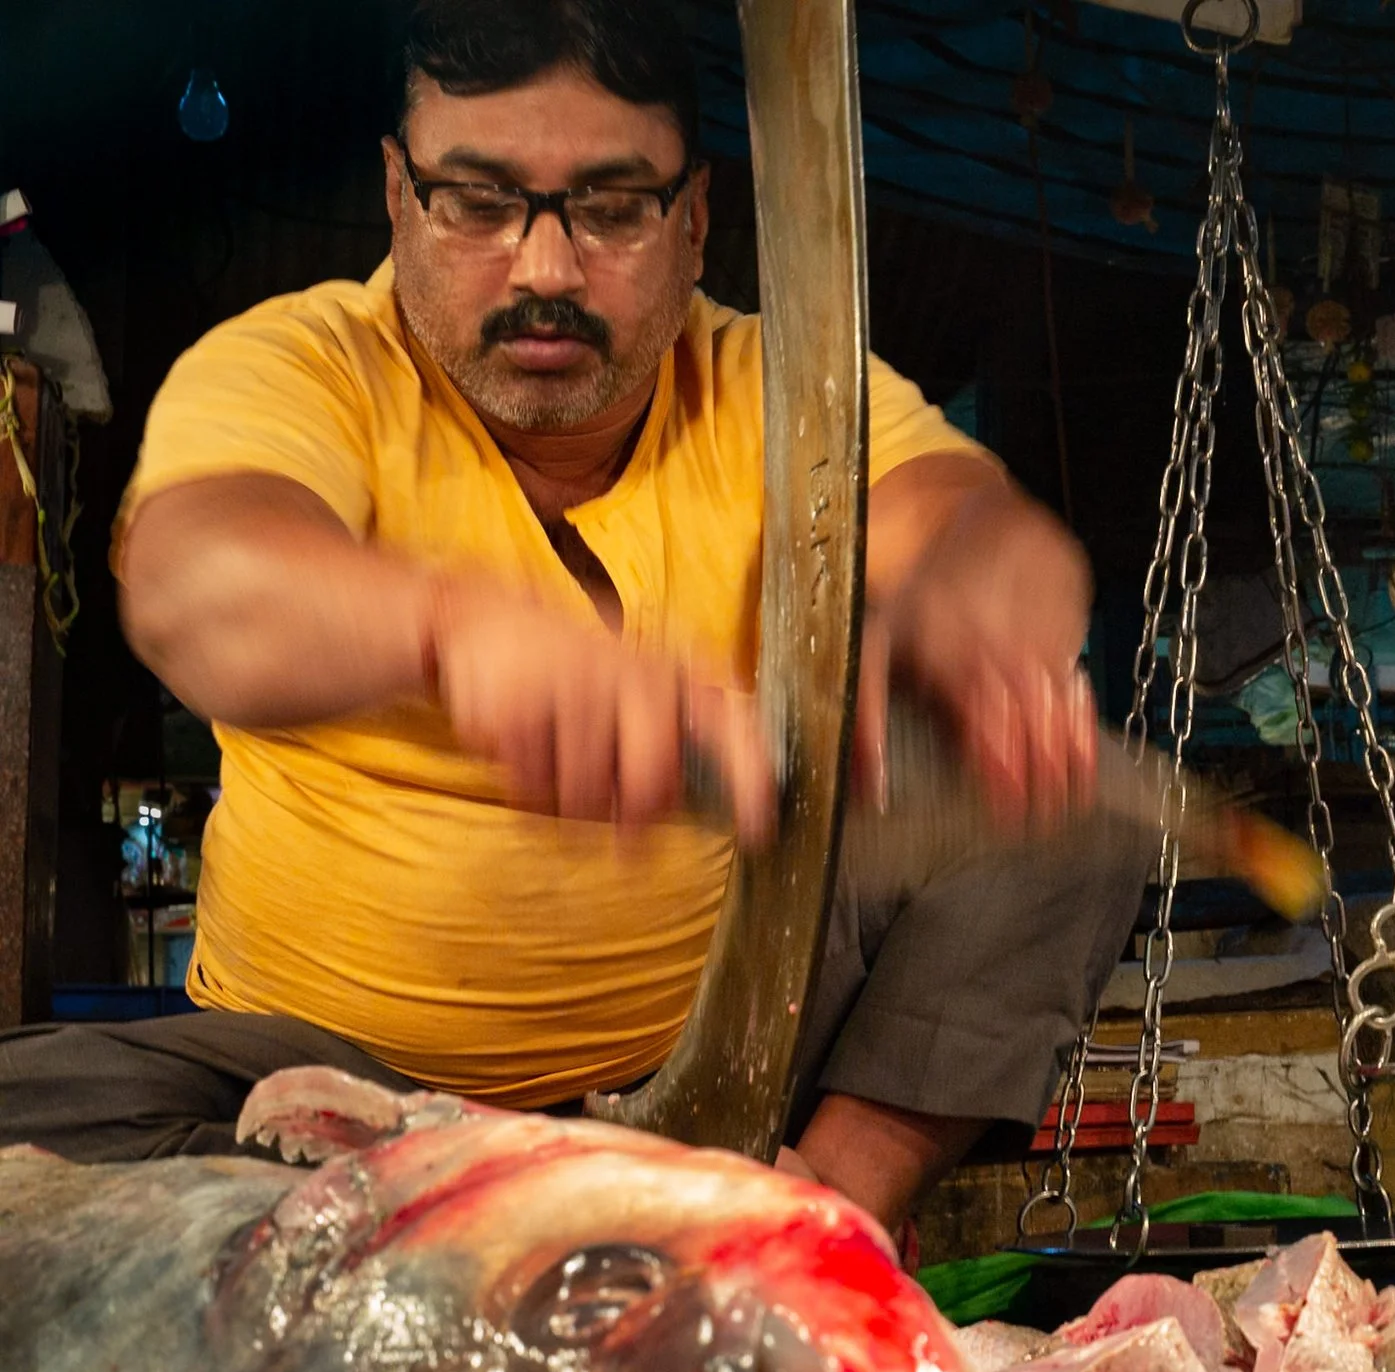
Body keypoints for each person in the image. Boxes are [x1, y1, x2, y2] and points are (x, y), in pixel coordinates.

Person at [0, 0, 1149, 1231]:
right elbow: (198, 579)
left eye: (608, 209)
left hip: (714, 1086)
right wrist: (457, 631)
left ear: (693, 216)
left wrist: (969, 610)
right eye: (480, 203)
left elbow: (964, 518)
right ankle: (411, 1224)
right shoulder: (299, 364)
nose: (544, 271)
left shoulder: (788, 388)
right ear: (400, 196)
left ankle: (816, 1210)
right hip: (302, 1098)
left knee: (1076, 805)